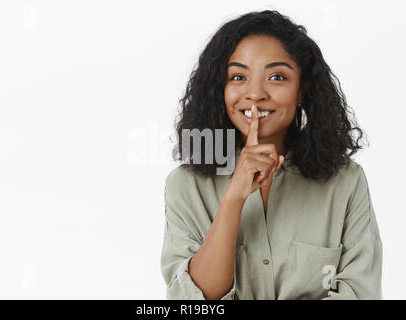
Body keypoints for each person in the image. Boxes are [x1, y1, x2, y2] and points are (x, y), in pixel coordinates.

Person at [160, 10, 382, 300]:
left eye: (277, 77)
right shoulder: (184, 185)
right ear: (220, 89)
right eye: (238, 76)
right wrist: (233, 197)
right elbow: (191, 301)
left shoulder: (346, 181)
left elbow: (361, 292)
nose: (255, 93)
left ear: (301, 90)